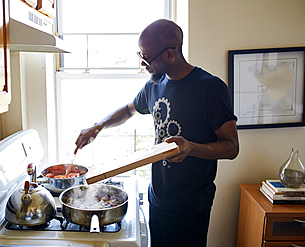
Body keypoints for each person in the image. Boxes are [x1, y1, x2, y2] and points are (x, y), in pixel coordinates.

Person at [74, 19, 239, 247]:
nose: (143, 63)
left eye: (146, 57)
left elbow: (231, 147)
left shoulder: (210, 88)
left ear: (170, 54)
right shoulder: (155, 84)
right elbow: (129, 109)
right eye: (140, 55)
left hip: (190, 205)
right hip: (158, 197)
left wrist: (191, 148)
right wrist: (98, 126)